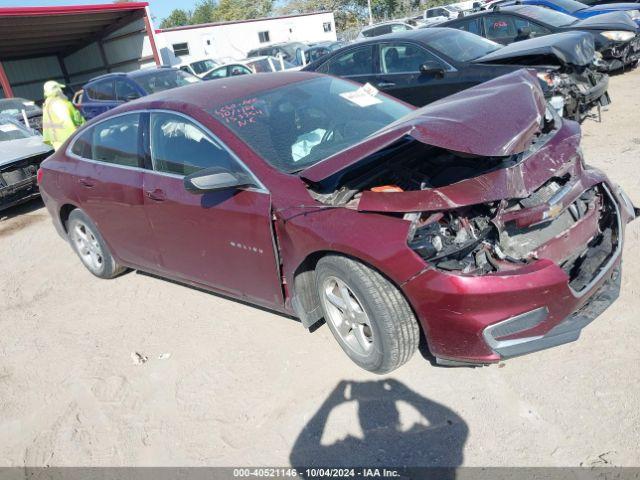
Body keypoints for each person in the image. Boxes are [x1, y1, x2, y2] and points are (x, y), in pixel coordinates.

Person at [42, 80, 85, 151]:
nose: (62, 91)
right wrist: (76, 137)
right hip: (68, 139)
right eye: (60, 89)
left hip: (57, 139)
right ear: (57, 90)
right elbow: (67, 122)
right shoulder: (58, 103)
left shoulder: (47, 103)